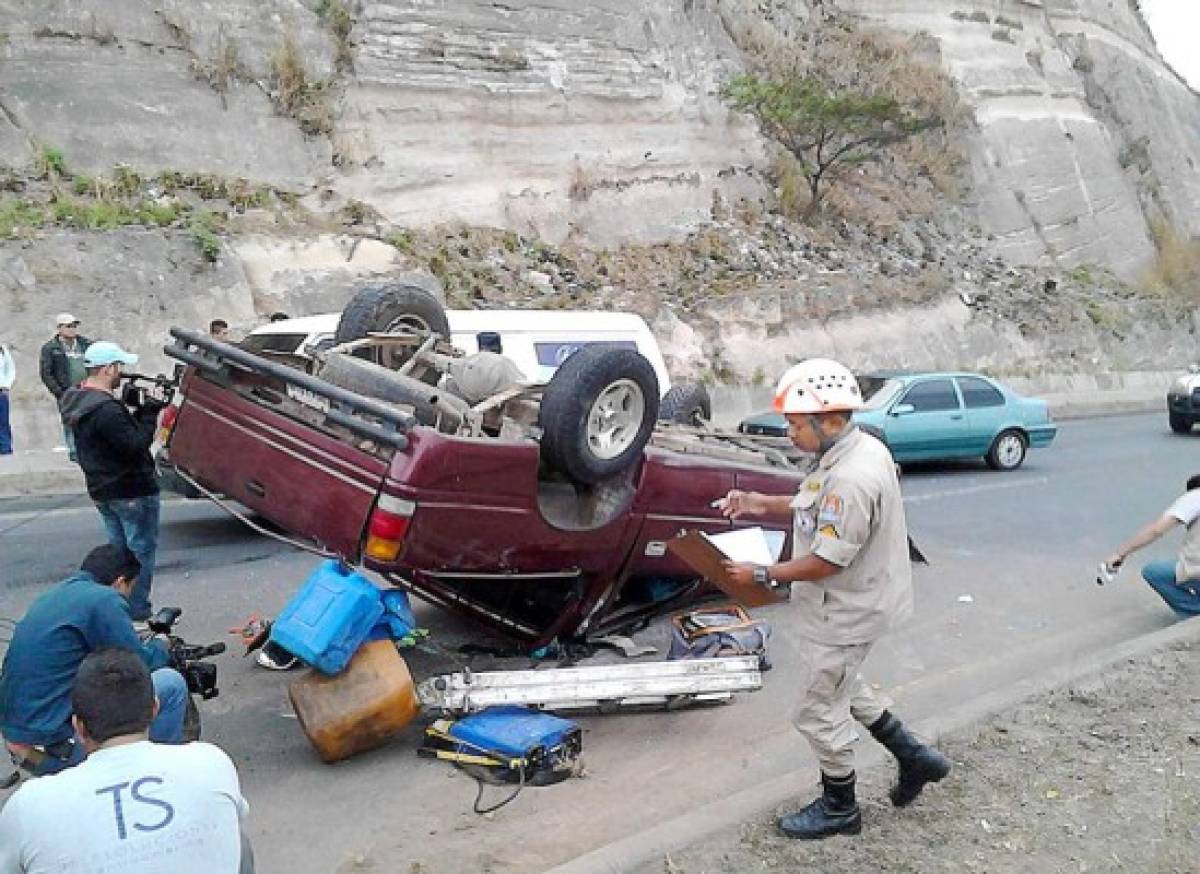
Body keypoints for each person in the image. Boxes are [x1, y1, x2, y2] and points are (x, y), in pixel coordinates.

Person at [716, 358, 950, 840]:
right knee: (843, 685)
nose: (788, 434)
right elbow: (812, 498)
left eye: (795, 425)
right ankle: (914, 756)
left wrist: (761, 573)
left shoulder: (852, 478)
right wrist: (760, 502)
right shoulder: (854, 449)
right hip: (850, 604)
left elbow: (828, 561)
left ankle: (840, 807)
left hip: (845, 610)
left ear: (830, 421)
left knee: (816, 710)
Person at [0, 648, 252, 874]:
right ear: (154, 709)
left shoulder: (28, 804)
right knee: (239, 844)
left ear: (79, 726)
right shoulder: (209, 761)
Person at [0, 545, 187, 777]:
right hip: (57, 746)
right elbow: (139, 663)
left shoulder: (59, 594)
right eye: (131, 587)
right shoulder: (104, 599)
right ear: (120, 582)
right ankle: (158, 776)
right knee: (171, 683)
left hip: (20, 741)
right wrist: (161, 645)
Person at [59, 342, 165, 620]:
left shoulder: (77, 399)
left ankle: (113, 608)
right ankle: (136, 610)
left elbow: (113, 440)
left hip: (103, 489)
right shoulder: (106, 409)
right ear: (108, 369)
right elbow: (134, 446)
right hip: (131, 489)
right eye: (120, 367)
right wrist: (150, 414)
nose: (122, 374)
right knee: (139, 553)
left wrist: (138, 413)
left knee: (119, 554)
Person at [1105, 474, 1200, 616]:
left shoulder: (1195, 497)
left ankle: (1192, 612)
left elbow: (1156, 530)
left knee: (1154, 572)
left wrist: (1120, 554)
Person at [37, 313, 91, 461]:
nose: (72, 329)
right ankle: (74, 452)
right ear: (59, 328)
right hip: (67, 392)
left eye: (74, 326)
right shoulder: (50, 348)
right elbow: (46, 373)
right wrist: (59, 392)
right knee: (70, 421)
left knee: (89, 420)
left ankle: (89, 450)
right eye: (69, 326)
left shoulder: (86, 344)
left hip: (87, 390)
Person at [0, 341, 14, 455]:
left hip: (1, 392)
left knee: (3, 422)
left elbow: (10, 369)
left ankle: (6, 450)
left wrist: (6, 385)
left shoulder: (2, 350)